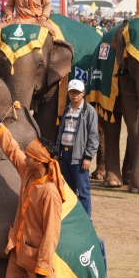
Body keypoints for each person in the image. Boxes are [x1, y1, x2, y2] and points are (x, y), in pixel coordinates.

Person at [0, 103, 67, 278]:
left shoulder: (50, 192)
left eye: (29, 157)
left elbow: (52, 232)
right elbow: (12, 150)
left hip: (38, 257)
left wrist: (43, 261)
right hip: (18, 249)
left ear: (39, 162)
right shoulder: (29, 174)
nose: (26, 158)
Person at [55, 79, 99, 217]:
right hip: (65, 156)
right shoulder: (67, 109)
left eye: (77, 92)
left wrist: (87, 157)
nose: (75, 95)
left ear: (83, 93)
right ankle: (71, 219)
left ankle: (86, 220)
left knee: (83, 191)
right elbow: (61, 131)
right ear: (68, 93)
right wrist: (57, 152)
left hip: (79, 158)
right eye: (72, 92)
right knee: (67, 191)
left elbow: (93, 136)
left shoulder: (89, 111)